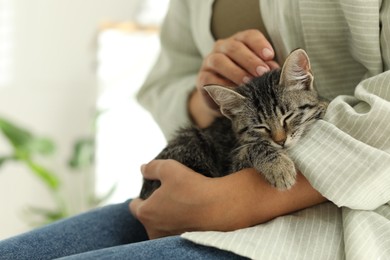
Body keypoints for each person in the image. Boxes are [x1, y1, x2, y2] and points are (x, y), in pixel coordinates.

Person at [1, 0, 390, 259]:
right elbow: (162, 82)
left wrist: (237, 202)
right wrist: (209, 98)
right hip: (207, 178)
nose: (279, 136)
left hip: (349, 210)